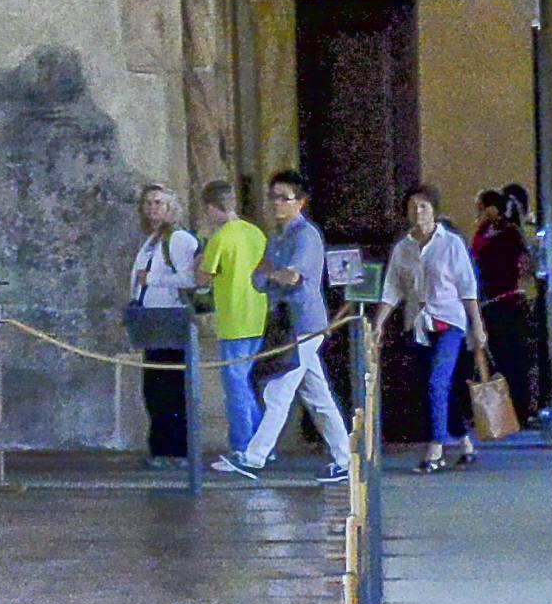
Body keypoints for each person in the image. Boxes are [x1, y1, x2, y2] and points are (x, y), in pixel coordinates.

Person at [237, 171, 363, 475]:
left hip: (305, 323)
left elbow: (292, 277)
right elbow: (257, 279)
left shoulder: (307, 235)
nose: (276, 203)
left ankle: (254, 457)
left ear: (300, 202)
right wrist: (272, 275)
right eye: (273, 197)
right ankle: (346, 458)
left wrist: (272, 274)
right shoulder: (276, 237)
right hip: (284, 323)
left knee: (279, 390)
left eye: (284, 198)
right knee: (316, 396)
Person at [385, 189, 485, 462]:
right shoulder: (403, 248)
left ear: (434, 211)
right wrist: (379, 323)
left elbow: (467, 287)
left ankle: (436, 446)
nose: (418, 212)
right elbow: (392, 288)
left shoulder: (451, 243)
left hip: (450, 322)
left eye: (424, 207)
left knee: (437, 382)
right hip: (419, 324)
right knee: (436, 386)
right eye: (413, 207)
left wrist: (477, 327)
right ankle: (464, 442)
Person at [192, 184, 271, 467]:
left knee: (236, 387)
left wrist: (198, 262)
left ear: (212, 208)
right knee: (244, 384)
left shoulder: (220, 237)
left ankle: (243, 447)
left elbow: (202, 279)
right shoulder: (256, 233)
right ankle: (262, 444)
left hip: (234, 318)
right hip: (258, 315)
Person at [469, 184, 550, 432]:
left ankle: (521, 410)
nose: (478, 213)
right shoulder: (485, 233)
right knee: (497, 360)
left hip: (509, 300)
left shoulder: (509, 233)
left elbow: (522, 264)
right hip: (489, 302)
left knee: (514, 360)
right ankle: (504, 411)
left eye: (481, 208)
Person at [129, 194, 201, 464]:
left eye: (158, 203)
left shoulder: (179, 239)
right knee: (154, 388)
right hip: (152, 317)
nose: (152, 207)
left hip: (170, 317)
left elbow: (190, 278)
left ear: (171, 207)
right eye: (148, 203)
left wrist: (152, 278)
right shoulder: (152, 240)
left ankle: (177, 450)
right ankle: (160, 447)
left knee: (171, 387)